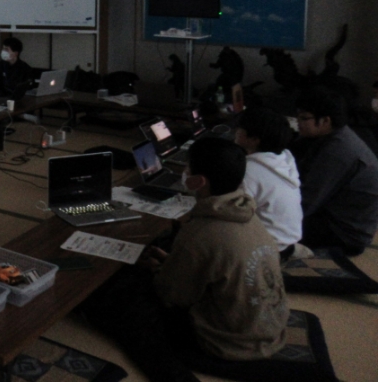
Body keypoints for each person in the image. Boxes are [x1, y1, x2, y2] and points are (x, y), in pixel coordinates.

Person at [80, 137, 288, 382]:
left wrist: (161, 271)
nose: (184, 172)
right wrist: (174, 263)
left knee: (126, 302)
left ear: (198, 181)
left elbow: (172, 297)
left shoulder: (200, 233)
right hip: (269, 327)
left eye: (188, 168)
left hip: (229, 342)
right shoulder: (247, 215)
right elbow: (219, 263)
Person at [290, 86, 378, 255]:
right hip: (331, 213)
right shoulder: (333, 135)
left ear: (325, 121)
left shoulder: (337, 151)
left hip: (345, 231)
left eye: (304, 118)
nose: (298, 122)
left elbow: (307, 202)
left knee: (269, 225)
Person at [234, 107, 303, 257]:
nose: (236, 132)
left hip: (267, 248)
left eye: (240, 129)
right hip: (286, 241)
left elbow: (234, 212)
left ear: (254, 139)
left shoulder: (249, 171)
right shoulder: (284, 159)